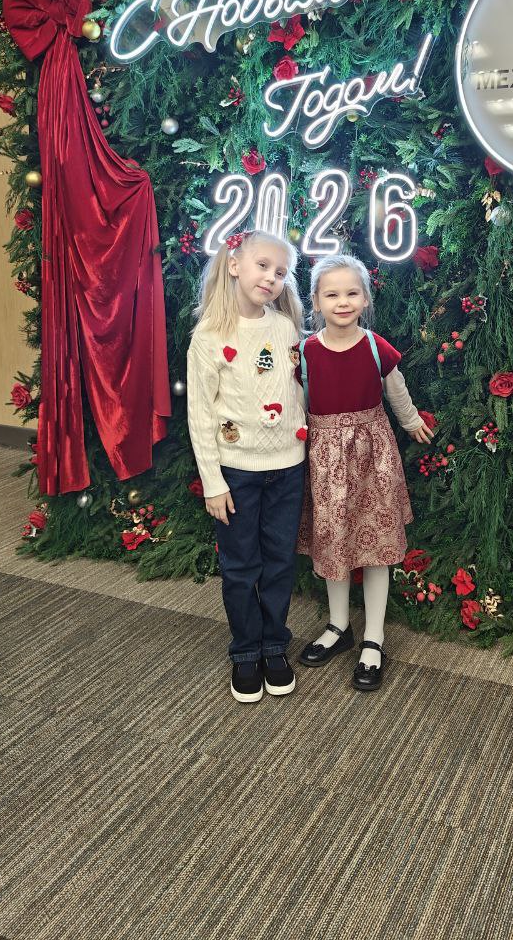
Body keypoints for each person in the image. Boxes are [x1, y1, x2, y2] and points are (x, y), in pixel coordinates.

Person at [296, 254, 434, 691]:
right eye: (332, 294)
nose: (342, 302)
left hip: (373, 457)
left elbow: (397, 390)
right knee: (333, 542)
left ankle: (374, 637)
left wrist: (411, 421)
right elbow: (298, 403)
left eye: (351, 293)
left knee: (376, 545)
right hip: (325, 461)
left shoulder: (376, 346)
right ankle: (338, 626)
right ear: (316, 302)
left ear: (365, 299)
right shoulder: (305, 352)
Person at [186, 229, 307, 704]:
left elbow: (296, 392)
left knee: (279, 561)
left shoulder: (286, 329)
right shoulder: (209, 336)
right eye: (263, 265)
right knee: (240, 566)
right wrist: (213, 482)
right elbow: (200, 414)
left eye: (281, 272)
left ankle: (274, 646)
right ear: (235, 265)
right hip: (236, 472)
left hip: (287, 468)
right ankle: (245, 651)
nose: (271, 277)